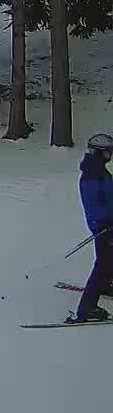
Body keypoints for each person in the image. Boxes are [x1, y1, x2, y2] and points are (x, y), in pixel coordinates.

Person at [69, 134, 113, 323]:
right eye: (108, 152)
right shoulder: (92, 175)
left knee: (107, 262)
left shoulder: (99, 171)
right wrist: (107, 224)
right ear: (99, 153)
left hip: (107, 224)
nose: (110, 155)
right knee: (103, 265)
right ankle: (86, 309)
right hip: (105, 227)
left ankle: (106, 285)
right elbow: (95, 206)